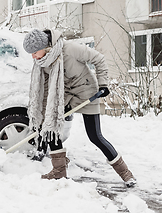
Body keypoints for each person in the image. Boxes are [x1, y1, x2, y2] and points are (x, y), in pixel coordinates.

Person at [23, 28, 136, 187]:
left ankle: (126, 173)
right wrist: (46, 111)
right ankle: (59, 171)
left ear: (45, 46)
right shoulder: (43, 61)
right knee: (52, 126)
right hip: (64, 94)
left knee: (95, 136)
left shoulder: (70, 49)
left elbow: (99, 59)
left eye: (34, 52)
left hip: (86, 92)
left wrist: (103, 84)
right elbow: (48, 86)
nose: (32, 56)